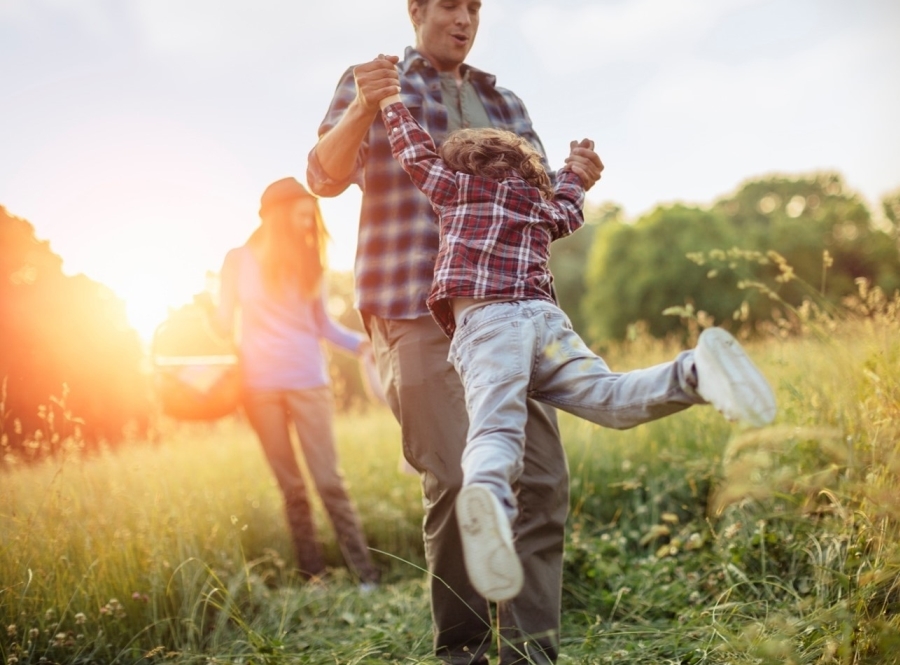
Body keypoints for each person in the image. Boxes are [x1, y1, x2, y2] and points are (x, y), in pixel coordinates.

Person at [376, 90, 777, 603]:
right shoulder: (539, 205)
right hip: (547, 323)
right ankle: (694, 372)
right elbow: (569, 203)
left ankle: (489, 500)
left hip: (490, 326)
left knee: (496, 423)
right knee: (611, 397)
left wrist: (391, 102)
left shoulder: (454, 188)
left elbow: (414, 153)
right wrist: (575, 170)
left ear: (461, 166)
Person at [306, 2, 603, 662]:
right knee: (460, 478)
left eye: (474, 6)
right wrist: (363, 106)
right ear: (416, 10)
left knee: (542, 481)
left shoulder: (506, 101)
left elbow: (539, 206)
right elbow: (323, 177)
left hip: (507, 312)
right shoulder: (375, 80)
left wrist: (575, 176)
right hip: (412, 307)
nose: (464, 18)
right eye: (449, 4)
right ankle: (462, 650)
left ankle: (529, 654)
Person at [209, 176, 380, 590]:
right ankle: (313, 577)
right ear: (278, 216)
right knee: (292, 489)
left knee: (328, 482)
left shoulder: (310, 263)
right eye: (301, 217)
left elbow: (323, 326)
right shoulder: (237, 261)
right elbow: (222, 324)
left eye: (312, 218)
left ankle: (366, 577)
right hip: (258, 388)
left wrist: (366, 344)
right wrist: (209, 313)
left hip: (309, 383)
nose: (308, 226)